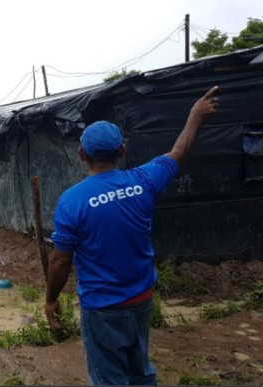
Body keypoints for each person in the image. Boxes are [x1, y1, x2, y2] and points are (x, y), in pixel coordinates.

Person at [44, 86, 220, 385]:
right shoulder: (144, 181)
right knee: (139, 370)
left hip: (102, 307)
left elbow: (61, 261)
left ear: (81, 153)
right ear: (122, 151)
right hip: (141, 299)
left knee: (109, 378)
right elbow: (180, 151)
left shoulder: (72, 201)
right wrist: (195, 116)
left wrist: (50, 300)